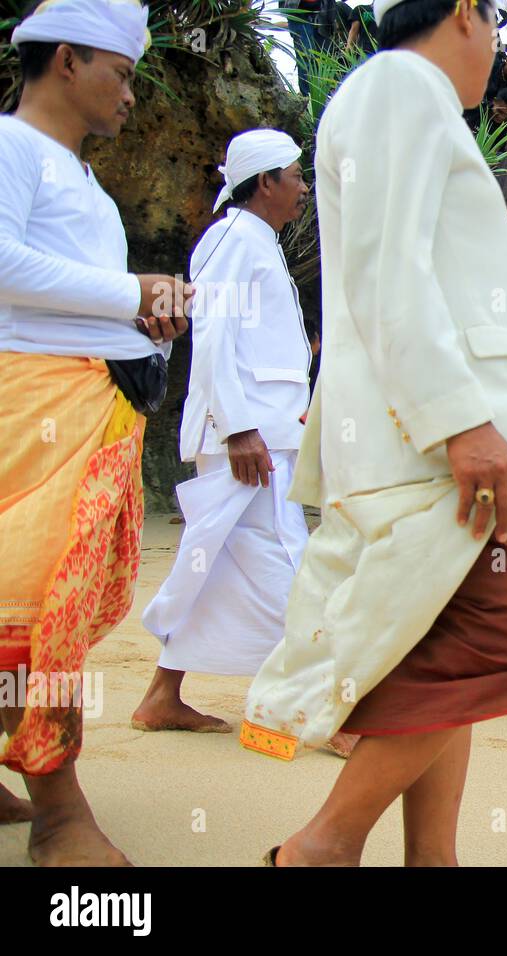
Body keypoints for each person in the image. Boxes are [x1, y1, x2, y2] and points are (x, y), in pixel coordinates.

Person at [241, 0, 507, 867]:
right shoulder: (400, 85)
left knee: (438, 662)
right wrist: (461, 422)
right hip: (424, 445)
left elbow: (425, 279)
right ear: (464, 11)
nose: (502, 53)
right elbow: (383, 266)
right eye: (498, 24)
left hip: (415, 433)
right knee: (498, 641)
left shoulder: (402, 95)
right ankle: (320, 848)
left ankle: (432, 859)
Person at [0, 0, 191, 865]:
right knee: (35, 605)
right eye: (119, 74)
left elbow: (75, 290)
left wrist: (145, 319)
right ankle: (59, 811)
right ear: (68, 61)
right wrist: (133, 295)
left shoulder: (81, 181)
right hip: (30, 408)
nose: (128, 96)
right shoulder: (11, 148)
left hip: (88, 403)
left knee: (49, 608)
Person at [132, 130, 312, 734]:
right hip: (247, 436)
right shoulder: (234, 238)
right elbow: (212, 336)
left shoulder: (253, 241)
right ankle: (306, 704)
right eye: (295, 174)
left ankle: (162, 695)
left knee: (217, 560)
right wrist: (237, 429)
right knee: (286, 562)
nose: (304, 186)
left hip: (264, 431)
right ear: (266, 183)